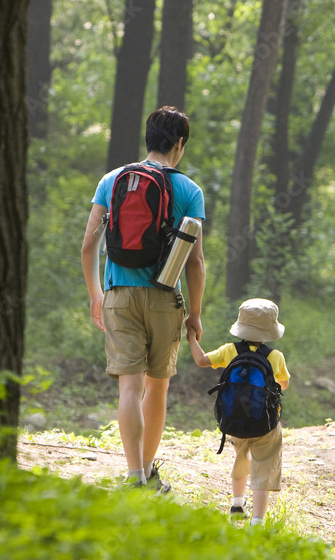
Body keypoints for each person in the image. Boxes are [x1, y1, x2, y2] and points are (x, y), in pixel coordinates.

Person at [81, 106, 206, 489]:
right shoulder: (189, 190)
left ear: (148, 139)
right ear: (179, 144)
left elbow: (89, 246)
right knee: (156, 388)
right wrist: (195, 314)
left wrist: (95, 294)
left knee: (129, 388)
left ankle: (133, 476)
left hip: (118, 295)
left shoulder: (113, 180)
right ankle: (150, 472)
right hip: (165, 298)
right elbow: (196, 263)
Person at [187, 298, 290, 525]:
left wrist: (192, 339)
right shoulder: (276, 356)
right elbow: (284, 385)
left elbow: (202, 361)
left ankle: (237, 502)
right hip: (265, 424)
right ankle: (257, 521)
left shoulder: (229, 350)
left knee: (241, 458)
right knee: (262, 468)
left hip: (235, 421)